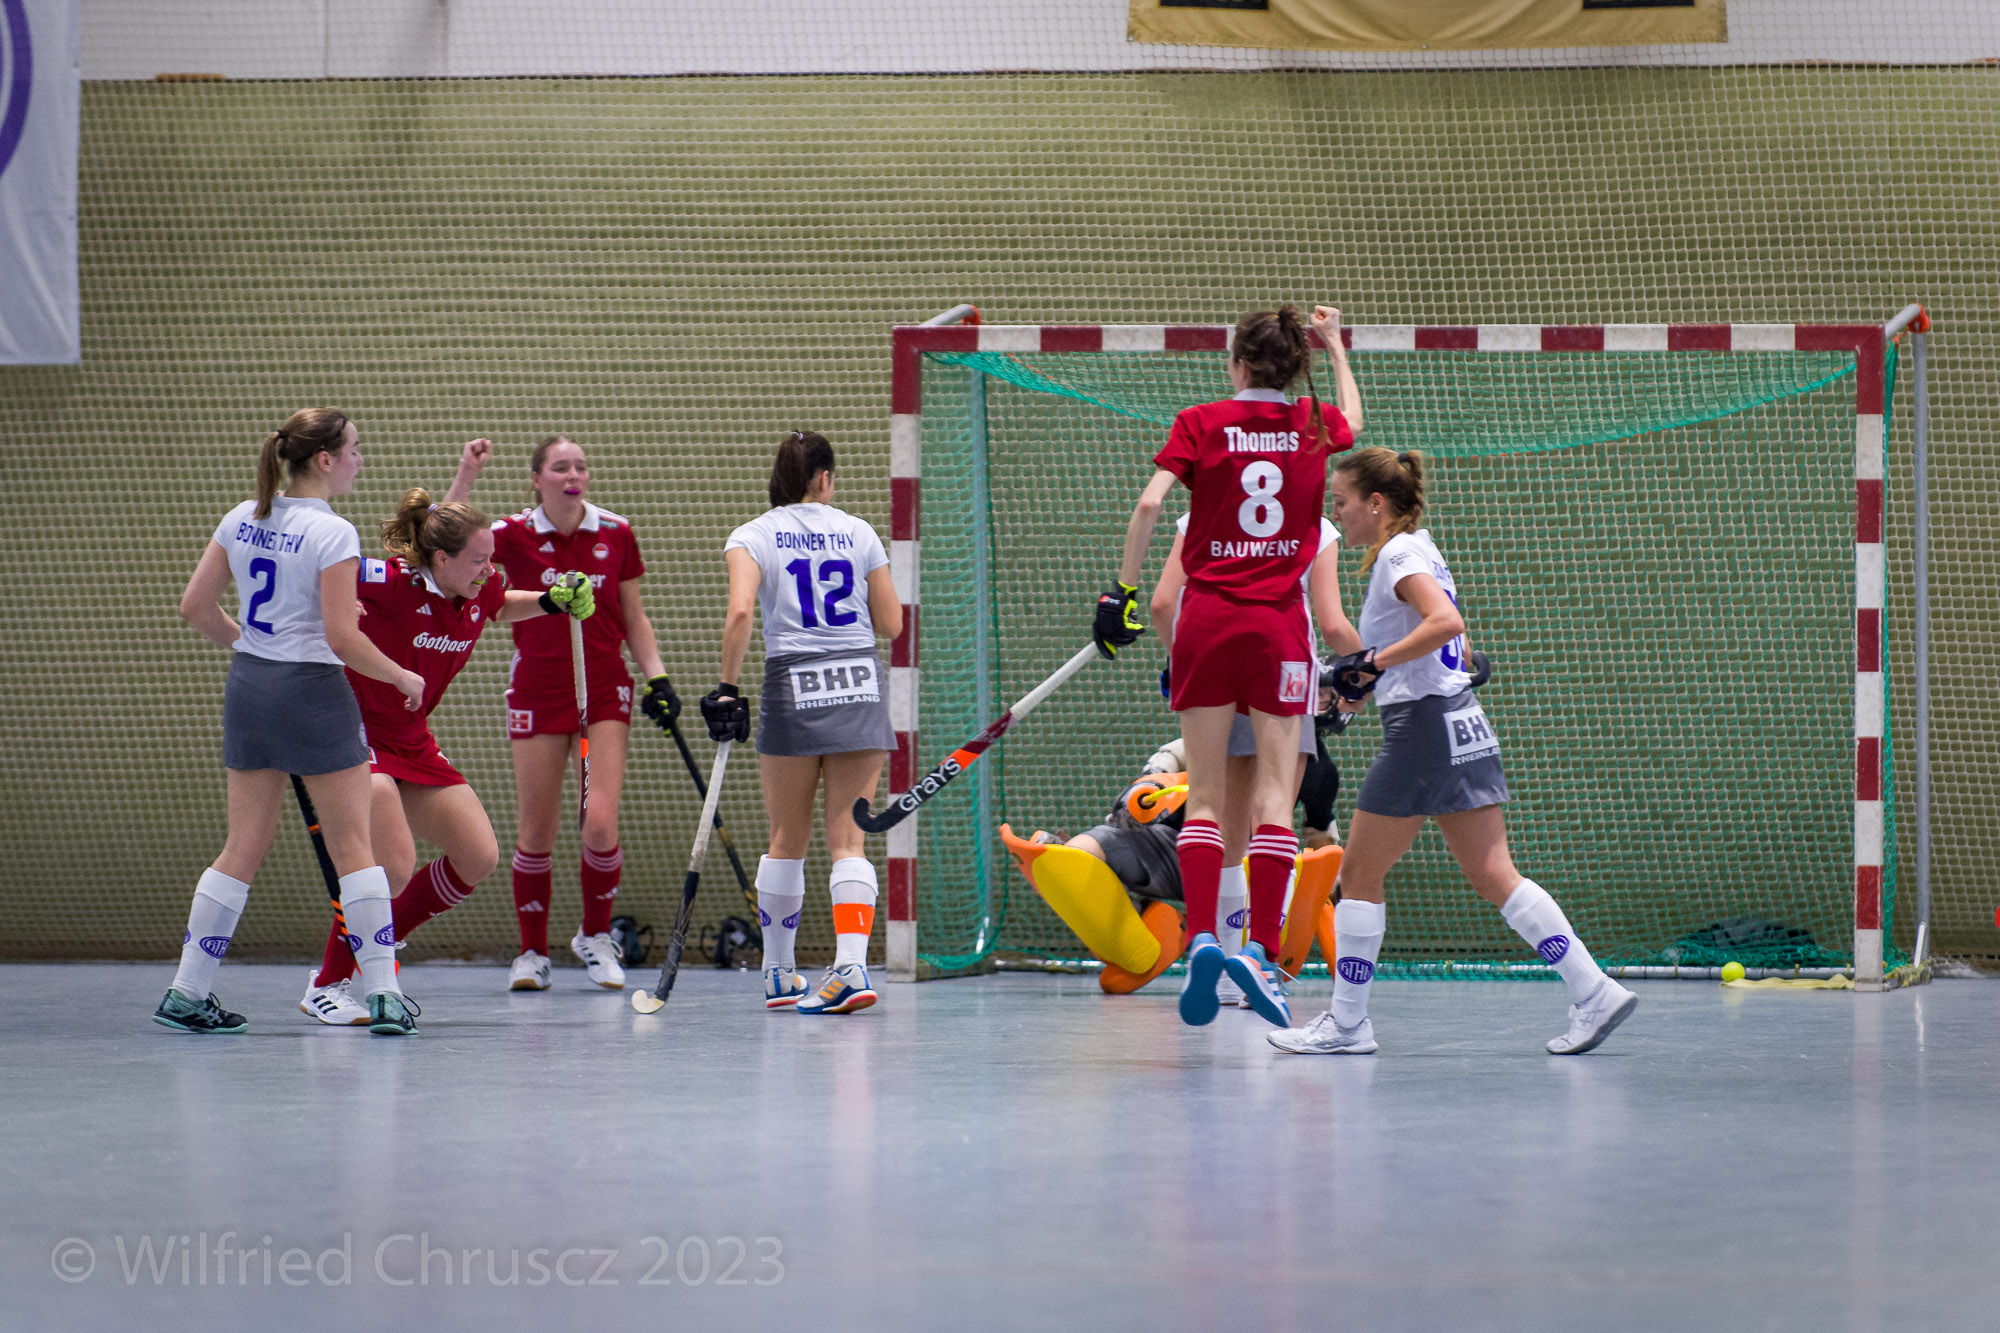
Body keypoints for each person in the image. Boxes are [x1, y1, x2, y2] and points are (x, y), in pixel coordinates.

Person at [1267, 447, 1638, 1056]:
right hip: (1462, 722)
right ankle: (1594, 990)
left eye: (1342, 503)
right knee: (1494, 874)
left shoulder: (1397, 554)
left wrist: (1370, 662)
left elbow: (1443, 624)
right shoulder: (1423, 548)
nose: (1337, 514)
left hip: (1422, 734)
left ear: (1375, 504)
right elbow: (1451, 646)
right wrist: (1365, 684)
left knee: (1358, 875)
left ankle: (1348, 1025)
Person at [1094, 304, 1359, 1029]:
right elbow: (1353, 419)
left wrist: (1119, 591)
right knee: (1274, 798)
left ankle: (1207, 937)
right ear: (1295, 368)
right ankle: (1263, 953)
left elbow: (1149, 505)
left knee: (1206, 798)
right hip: (1277, 630)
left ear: (1237, 363)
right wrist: (1336, 346)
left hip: (1206, 625)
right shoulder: (1312, 424)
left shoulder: (1199, 422)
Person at [163, 408, 424, 1036]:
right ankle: (385, 996)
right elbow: (341, 637)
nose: (361, 460)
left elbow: (195, 607)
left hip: (250, 688)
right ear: (326, 460)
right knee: (353, 846)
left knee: (242, 847)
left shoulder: (242, 516)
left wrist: (254, 646)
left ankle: (186, 991)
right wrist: (401, 675)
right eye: (355, 449)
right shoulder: (333, 531)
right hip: (313, 693)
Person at [299, 476, 596, 1024]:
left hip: (410, 738)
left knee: (478, 855)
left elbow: (499, 605)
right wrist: (331, 609)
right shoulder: (388, 582)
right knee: (393, 867)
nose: (489, 569)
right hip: (351, 733)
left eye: (491, 558)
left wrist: (550, 601)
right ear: (440, 558)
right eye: (479, 560)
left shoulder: (482, 588)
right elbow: (322, 578)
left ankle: (379, 936)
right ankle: (328, 983)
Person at [460, 436, 680, 993]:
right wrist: (466, 476)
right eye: (560, 467)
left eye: (581, 466)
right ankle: (532, 952)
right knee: (536, 829)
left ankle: (596, 937)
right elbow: (455, 554)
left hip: (602, 692)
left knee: (598, 821)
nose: (573, 475)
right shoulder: (511, 535)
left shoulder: (615, 532)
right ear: (537, 479)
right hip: (538, 691)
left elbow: (633, 615)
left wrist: (657, 677)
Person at [702, 430, 903, 1014]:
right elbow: (891, 624)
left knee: (786, 838)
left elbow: (741, 611)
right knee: (849, 839)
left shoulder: (752, 534)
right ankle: (850, 968)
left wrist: (728, 690)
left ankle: (778, 973)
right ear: (825, 478)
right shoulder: (860, 532)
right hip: (857, 678)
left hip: (791, 681)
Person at [1152, 499, 1352, 1000]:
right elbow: (1332, 624)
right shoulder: (1313, 524)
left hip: (1212, 656)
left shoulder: (1203, 514)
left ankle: (1216, 957)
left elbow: (1162, 604)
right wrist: (1371, 667)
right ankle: (1260, 962)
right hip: (1281, 658)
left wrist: (1183, 661)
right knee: (1274, 810)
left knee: (1219, 817)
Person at [998, 733, 1344, 999]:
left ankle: (1256, 961)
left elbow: (1322, 842)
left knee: (1290, 864)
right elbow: (1171, 756)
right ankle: (1145, 937)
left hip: (1250, 876)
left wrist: (1327, 895)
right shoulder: (1224, 730)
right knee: (1082, 852)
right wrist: (1152, 782)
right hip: (1172, 850)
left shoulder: (1318, 772)